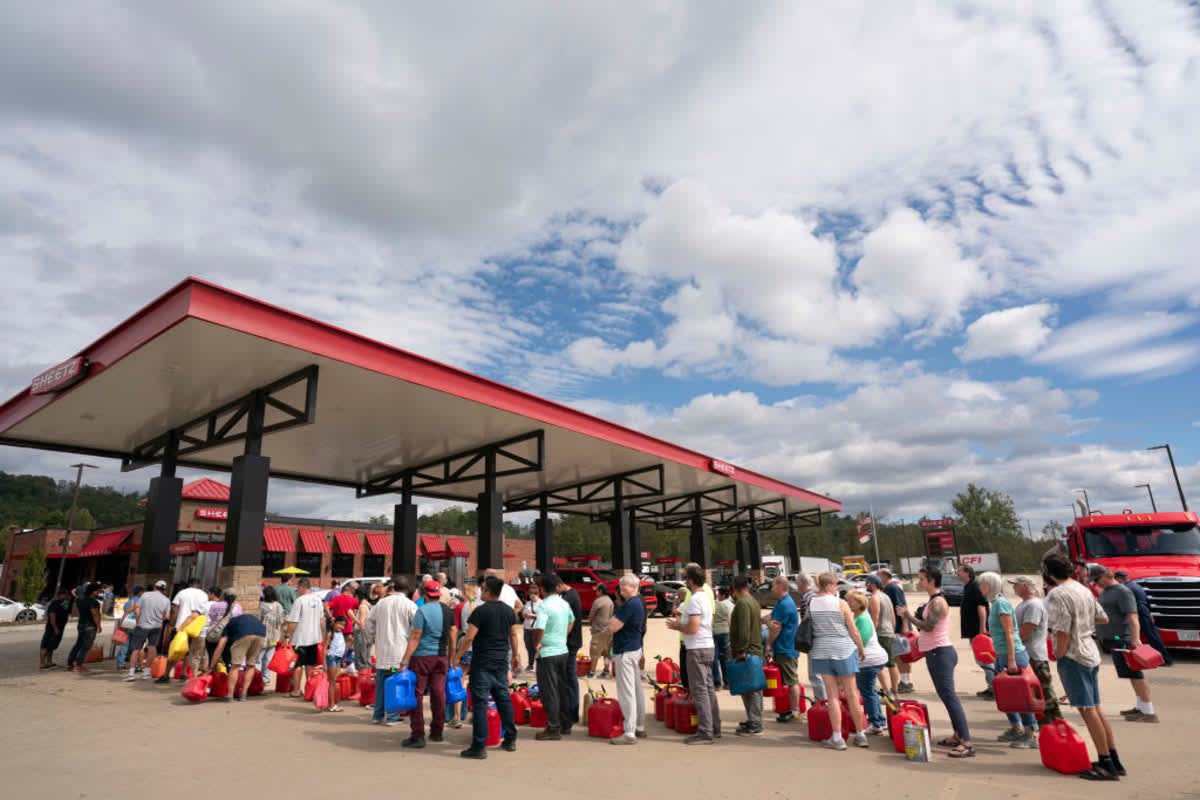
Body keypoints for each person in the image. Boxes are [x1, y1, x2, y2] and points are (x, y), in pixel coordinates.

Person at [1044, 552, 1123, 780]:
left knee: (1087, 710)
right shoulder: (1082, 589)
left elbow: (1062, 630)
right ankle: (1113, 758)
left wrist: (1059, 654)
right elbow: (1103, 617)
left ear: (1049, 574)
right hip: (1090, 651)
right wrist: (1084, 622)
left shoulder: (1058, 594)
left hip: (1074, 655)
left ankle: (1105, 763)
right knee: (1096, 707)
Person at [904, 565, 974, 758]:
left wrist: (908, 616)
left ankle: (966, 742)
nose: (919, 582)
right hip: (935, 653)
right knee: (946, 696)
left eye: (922, 579)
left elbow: (928, 626)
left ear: (931, 580)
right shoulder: (933, 601)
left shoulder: (938, 602)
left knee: (950, 697)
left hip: (940, 653)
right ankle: (958, 734)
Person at [453, 575, 521, 759]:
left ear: (489, 591)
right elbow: (513, 635)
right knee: (503, 699)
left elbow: (469, 637)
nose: (480, 591)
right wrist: (515, 656)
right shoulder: (508, 611)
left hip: (482, 662)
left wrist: (457, 656)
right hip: (500, 661)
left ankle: (479, 745)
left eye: (483, 589)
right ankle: (510, 738)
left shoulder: (480, 612)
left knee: (481, 703)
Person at [977, 572, 1039, 747]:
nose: (979, 588)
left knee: (1020, 695)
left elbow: (1010, 632)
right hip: (1002, 654)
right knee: (1006, 695)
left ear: (988, 585)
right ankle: (1016, 728)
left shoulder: (1001, 604)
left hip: (1013, 655)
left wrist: (1011, 660)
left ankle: (1031, 733)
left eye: (981, 584)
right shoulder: (994, 604)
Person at [809, 573, 869, 750]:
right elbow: (853, 630)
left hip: (821, 649)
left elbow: (809, 626)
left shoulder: (812, 603)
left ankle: (837, 737)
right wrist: (861, 648)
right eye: (836, 585)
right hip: (843, 649)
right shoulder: (841, 603)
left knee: (832, 695)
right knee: (852, 694)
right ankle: (860, 734)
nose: (837, 588)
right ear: (829, 585)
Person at [1092, 565, 1157, 723]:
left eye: (1097, 579)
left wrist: (1135, 639)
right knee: (1130, 674)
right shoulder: (1108, 592)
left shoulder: (1122, 592)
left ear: (1107, 575)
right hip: (1115, 639)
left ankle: (1148, 711)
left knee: (1135, 674)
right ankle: (1141, 706)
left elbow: (1133, 617)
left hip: (1124, 638)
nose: (1095, 583)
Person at [666, 564, 720, 745]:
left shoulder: (696, 599)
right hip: (707, 646)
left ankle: (705, 732)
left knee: (700, 691)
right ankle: (714, 726)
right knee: (708, 688)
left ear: (690, 581)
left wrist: (677, 626)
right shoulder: (705, 596)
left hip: (696, 648)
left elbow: (693, 627)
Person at [399, 580, 456, 748]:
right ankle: (437, 731)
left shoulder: (421, 611)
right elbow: (453, 636)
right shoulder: (448, 611)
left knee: (416, 695)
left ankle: (418, 735)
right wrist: (452, 657)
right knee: (438, 694)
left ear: (425, 594)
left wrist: (405, 659)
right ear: (439, 594)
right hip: (441, 657)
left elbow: (416, 636)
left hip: (422, 658)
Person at [365, 577, 417, 725]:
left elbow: (368, 622)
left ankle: (378, 714)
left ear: (393, 587)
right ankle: (392, 716)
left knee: (381, 683)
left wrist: (373, 636)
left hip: (382, 652)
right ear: (407, 589)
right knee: (396, 683)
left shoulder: (382, 603)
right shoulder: (409, 605)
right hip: (400, 653)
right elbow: (417, 626)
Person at [1010, 576, 1062, 723]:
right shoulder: (1024, 604)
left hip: (1034, 655)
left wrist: (1011, 644)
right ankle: (1043, 721)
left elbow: (1027, 630)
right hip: (1028, 653)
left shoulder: (1033, 605)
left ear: (1025, 586)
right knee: (1034, 691)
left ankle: (1055, 722)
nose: (1013, 587)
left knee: (1044, 690)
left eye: (1016, 585)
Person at [533, 574, 576, 740]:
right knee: (562, 688)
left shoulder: (544, 606)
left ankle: (553, 727)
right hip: (562, 649)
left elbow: (540, 627)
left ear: (542, 589)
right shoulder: (564, 603)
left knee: (549, 690)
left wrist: (537, 642)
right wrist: (562, 635)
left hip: (548, 652)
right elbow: (572, 620)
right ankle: (565, 723)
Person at [608, 574, 646, 745]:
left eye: (623, 586)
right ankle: (639, 726)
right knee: (636, 690)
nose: (621, 589)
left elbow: (613, 627)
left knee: (627, 692)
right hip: (634, 648)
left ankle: (629, 732)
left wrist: (612, 620)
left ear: (631, 587)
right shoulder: (639, 602)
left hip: (625, 650)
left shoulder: (629, 604)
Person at [845, 591, 889, 734]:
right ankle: (879, 720)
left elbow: (860, 641)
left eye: (851, 601)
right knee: (870, 691)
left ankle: (876, 722)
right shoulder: (859, 616)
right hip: (872, 659)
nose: (848, 603)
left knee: (867, 692)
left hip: (869, 660)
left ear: (859, 603)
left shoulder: (862, 619)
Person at [729, 575, 764, 736]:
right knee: (751, 688)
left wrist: (740, 651)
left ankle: (755, 723)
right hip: (754, 650)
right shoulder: (753, 601)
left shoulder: (742, 604)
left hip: (747, 651)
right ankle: (753, 719)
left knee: (751, 689)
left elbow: (743, 631)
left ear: (735, 588)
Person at [1114, 571, 1172, 666]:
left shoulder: (1127, 588)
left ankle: (1165, 659)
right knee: (1152, 636)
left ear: (1119, 578)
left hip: (1139, 611)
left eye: (1116, 580)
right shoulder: (1136, 585)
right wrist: (1149, 613)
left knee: (1150, 637)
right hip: (1144, 610)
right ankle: (1158, 658)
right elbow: (1146, 599)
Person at [208, 610, 267, 701]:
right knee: (251, 665)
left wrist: (211, 666)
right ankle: (244, 694)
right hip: (261, 635)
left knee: (235, 665)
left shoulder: (230, 624)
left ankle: (230, 695)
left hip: (243, 634)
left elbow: (220, 646)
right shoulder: (248, 619)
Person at [159, 577, 210, 682]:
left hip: (181, 626)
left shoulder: (182, 593)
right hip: (195, 628)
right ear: (199, 585)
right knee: (189, 651)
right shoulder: (204, 595)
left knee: (174, 649)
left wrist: (172, 625)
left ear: (189, 584)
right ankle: (183, 673)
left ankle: (166, 675)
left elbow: (175, 609)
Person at [765, 575, 801, 723]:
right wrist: (762, 619)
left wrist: (768, 644)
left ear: (781, 586)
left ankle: (795, 711)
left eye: (773, 585)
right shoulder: (782, 602)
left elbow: (775, 628)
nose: (772, 588)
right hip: (784, 647)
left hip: (786, 648)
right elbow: (771, 617)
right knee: (787, 680)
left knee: (792, 680)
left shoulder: (785, 604)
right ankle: (792, 708)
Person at [283, 577, 326, 698]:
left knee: (298, 665)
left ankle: (296, 690)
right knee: (310, 664)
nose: (297, 590)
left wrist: (287, 635)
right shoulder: (318, 600)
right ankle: (310, 689)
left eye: (298, 588)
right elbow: (321, 620)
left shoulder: (299, 601)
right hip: (314, 637)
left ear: (302, 587)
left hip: (300, 638)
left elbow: (293, 621)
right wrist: (322, 636)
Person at [958, 563, 991, 699]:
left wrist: (982, 629)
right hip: (973, 631)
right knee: (981, 660)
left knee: (985, 660)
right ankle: (991, 686)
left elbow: (982, 607)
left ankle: (994, 689)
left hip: (978, 631)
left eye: (960, 571)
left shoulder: (974, 587)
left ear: (968, 573)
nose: (957, 573)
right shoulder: (968, 587)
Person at [126, 580, 170, 681]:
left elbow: (137, 609)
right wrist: (158, 619)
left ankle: (131, 673)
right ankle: (146, 672)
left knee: (136, 649)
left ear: (155, 586)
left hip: (142, 625)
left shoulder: (145, 595)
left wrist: (138, 620)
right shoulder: (166, 600)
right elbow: (166, 616)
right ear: (164, 589)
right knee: (152, 648)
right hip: (156, 627)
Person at [878, 568, 912, 693]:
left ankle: (905, 682)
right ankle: (906, 681)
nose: (877, 578)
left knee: (899, 655)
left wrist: (904, 625)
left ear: (885, 576)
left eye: (879, 575)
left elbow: (901, 606)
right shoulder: (888, 588)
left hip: (897, 627)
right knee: (901, 654)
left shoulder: (893, 588)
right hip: (895, 626)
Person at [795, 573, 827, 703]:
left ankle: (821, 702)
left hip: (814, 639)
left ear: (802, 584)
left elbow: (807, 620)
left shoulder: (808, 597)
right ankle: (823, 701)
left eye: (797, 583)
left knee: (815, 675)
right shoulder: (815, 595)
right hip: (820, 638)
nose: (796, 586)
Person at [864, 575, 896, 703]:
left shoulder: (874, 598)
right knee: (891, 663)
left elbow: (874, 619)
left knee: (882, 665)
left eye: (867, 583)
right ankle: (893, 690)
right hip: (889, 632)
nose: (866, 586)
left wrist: (871, 635)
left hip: (881, 633)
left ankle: (888, 692)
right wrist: (893, 630)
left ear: (872, 584)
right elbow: (893, 617)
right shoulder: (886, 596)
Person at [557, 576, 583, 729]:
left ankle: (571, 713)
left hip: (570, 642)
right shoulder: (572, 594)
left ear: (560, 585)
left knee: (568, 679)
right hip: (573, 641)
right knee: (570, 678)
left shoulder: (568, 598)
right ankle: (572, 713)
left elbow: (567, 621)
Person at [66, 583, 102, 672]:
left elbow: (74, 594)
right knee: (86, 646)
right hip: (90, 626)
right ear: (93, 592)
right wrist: (99, 626)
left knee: (78, 644)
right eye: (98, 591)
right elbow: (95, 614)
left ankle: (70, 663)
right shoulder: (94, 602)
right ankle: (79, 665)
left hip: (81, 624)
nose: (99, 593)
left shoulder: (80, 600)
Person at [204, 587, 242, 667]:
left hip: (215, 634)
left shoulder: (215, 605)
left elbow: (212, 618)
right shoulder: (238, 607)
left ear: (224, 596)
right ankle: (226, 675)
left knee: (212, 657)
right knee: (228, 659)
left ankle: (212, 672)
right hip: (229, 636)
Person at [256, 585, 285, 684]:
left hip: (263, 635)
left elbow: (258, 620)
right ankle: (266, 677)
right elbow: (282, 621)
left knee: (258, 658)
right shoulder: (279, 606)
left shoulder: (262, 605)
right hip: (274, 636)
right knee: (269, 658)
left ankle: (257, 677)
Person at [318, 615, 347, 712]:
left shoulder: (340, 633)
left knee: (333, 682)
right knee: (332, 682)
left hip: (337, 659)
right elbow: (324, 648)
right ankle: (332, 705)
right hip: (331, 658)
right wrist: (324, 663)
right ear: (335, 623)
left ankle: (332, 703)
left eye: (343, 625)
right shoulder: (330, 634)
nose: (341, 627)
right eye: (339, 624)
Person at [40, 588, 73, 669]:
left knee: (52, 645)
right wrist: (55, 628)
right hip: (52, 628)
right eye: (65, 595)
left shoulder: (64, 603)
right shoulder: (54, 603)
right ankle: (42, 663)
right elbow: (52, 615)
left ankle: (49, 661)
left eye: (67, 595)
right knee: (46, 645)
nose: (66, 596)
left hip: (59, 627)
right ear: (60, 595)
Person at [587, 583, 614, 679]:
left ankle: (592, 672)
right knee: (606, 652)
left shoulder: (598, 601)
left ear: (600, 591)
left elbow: (591, 616)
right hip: (608, 630)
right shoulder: (610, 601)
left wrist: (591, 623)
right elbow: (611, 616)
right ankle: (606, 670)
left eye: (597, 590)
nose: (595, 592)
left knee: (594, 652)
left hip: (598, 630)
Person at [116, 585, 144, 671]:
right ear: (139, 592)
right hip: (135, 624)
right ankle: (135, 664)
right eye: (143, 592)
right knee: (136, 646)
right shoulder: (140, 601)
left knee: (125, 644)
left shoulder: (129, 600)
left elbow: (125, 610)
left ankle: (120, 663)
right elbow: (138, 613)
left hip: (127, 623)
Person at [712, 586, 733, 690]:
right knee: (725, 657)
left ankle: (717, 684)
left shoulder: (712, 606)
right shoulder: (725, 606)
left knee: (714, 658)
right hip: (725, 632)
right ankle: (727, 682)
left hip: (714, 632)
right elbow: (729, 620)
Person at [352, 585, 373, 674]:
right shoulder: (368, 605)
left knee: (361, 660)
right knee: (366, 659)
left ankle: (363, 681)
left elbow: (361, 624)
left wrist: (352, 616)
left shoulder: (362, 607)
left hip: (361, 635)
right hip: (368, 635)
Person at [521, 584, 541, 673]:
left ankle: (536, 666)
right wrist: (525, 615)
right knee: (528, 647)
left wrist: (532, 615)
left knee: (535, 647)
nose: (532, 595)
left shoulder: (541, 603)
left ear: (537, 594)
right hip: (527, 628)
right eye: (530, 594)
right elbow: (523, 613)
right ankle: (530, 664)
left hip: (536, 628)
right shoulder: (528, 603)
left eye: (533, 594)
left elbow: (542, 616)